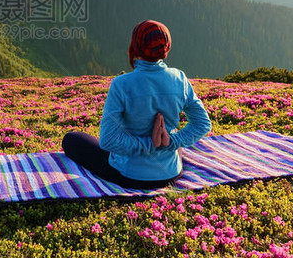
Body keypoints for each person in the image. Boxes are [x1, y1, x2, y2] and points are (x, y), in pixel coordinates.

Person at [62, 20, 211, 189]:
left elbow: (108, 140)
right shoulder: (179, 78)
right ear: (166, 48)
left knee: (72, 140)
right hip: (170, 173)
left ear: (136, 47)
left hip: (130, 176)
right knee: (175, 138)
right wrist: (170, 141)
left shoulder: (122, 84)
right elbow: (203, 124)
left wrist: (149, 145)